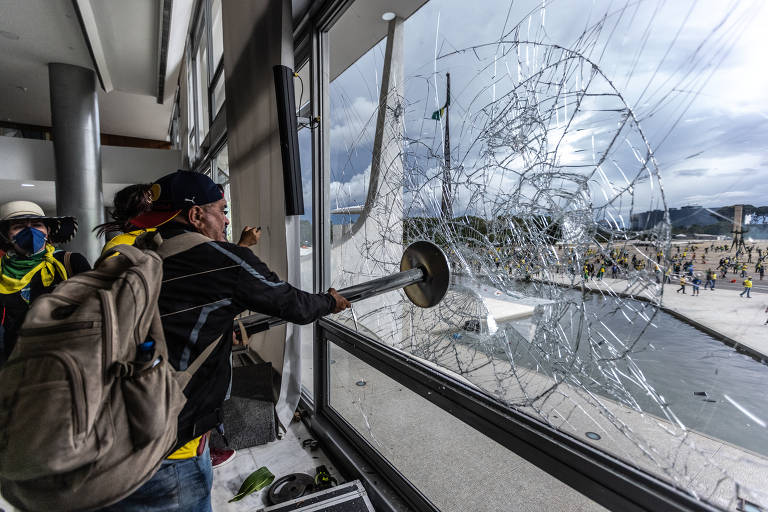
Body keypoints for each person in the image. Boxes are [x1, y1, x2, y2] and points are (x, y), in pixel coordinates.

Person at [97, 171, 351, 511]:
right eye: (221, 208)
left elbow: (171, 320)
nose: (227, 218)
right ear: (196, 215)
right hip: (170, 449)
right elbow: (296, 306)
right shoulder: (221, 259)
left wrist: (215, 327)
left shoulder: (137, 255)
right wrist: (330, 302)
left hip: (113, 434)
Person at [0, 201, 90, 364]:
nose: (30, 230)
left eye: (36, 225)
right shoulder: (1, 270)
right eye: (19, 226)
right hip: (11, 361)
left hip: (63, 360)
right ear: (6, 235)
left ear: (47, 231)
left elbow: (93, 307)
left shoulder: (70, 262)